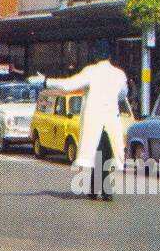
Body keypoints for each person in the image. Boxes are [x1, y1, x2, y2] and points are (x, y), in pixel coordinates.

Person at [43, 58, 130, 201]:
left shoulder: (91, 72)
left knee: (97, 153)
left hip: (95, 119)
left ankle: (97, 189)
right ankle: (103, 189)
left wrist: (46, 81)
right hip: (111, 120)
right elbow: (122, 95)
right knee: (108, 154)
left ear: (96, 58)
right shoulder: (119, 74)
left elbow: (68, 85)